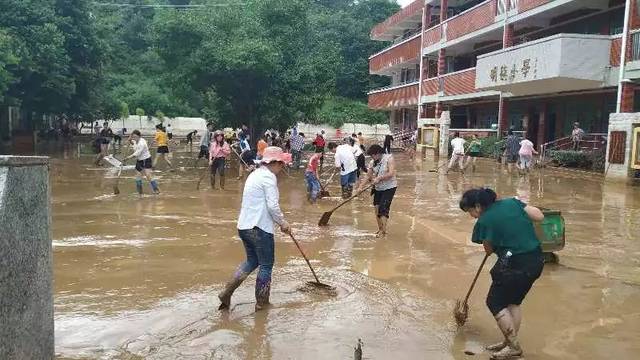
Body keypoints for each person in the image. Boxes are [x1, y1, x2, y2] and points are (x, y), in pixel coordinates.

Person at [459, 188, 544, 359]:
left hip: (515, 264)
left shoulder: (484, 221)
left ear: (478, 206)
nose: (471, 216)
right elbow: (539, 216)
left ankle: (514, 347)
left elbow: (489, 250)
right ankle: (509, 341)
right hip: (536, 261)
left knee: (495, 302)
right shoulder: (512, 203)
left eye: (470, 211)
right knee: (513, 302)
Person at [217, 146, 292, 312]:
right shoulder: (268, 177)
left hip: (244, 227)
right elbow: (273, 206)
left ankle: (227, 292)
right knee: (266, 265)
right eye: (281, 164)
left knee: (252, 261)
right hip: (259, 229)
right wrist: (283, 223)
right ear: (275, 163)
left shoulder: (254, 174)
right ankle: (262, 303)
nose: (282, 168)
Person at [365, 144, 397, 237]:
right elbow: (368, 176)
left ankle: (383, 232)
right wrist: (360, 188)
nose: (372, 157)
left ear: (378, 153)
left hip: (389, 187)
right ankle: (380, 229)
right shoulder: (372, 162)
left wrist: (380, 178)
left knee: (383, 209)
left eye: (373, 155)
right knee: (377, 209)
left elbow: (391, 173)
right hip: (378, 188)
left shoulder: (389, 159)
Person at [125, 130, 159, 195]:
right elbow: (133, 144)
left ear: (139, 136)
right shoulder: (135, 141)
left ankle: (156, 190)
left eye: (136, 137)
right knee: (138, 175)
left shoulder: (142, 143)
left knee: (148, 175)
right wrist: (129, 140)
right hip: (139, 160)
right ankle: (140, 192)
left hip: (146, 159)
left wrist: (127, 158)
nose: (134, 138)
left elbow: (137, 153)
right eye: (133, 137)